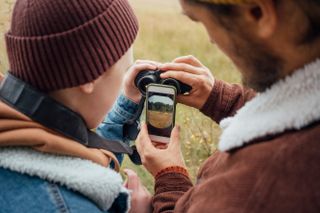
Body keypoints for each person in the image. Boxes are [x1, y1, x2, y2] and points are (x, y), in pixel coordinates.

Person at [129, 0, 320, 212]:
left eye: (200, 19)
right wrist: (220, 99)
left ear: (257, 12)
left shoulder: (254, 185)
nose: (211, 39)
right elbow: (287, 107)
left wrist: (170, 178)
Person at [0, 0, 156, 212]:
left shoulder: (18, 127)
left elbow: (71, 148)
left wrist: (127, 103)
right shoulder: (66, 206)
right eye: (125, 68)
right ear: (89, 77)